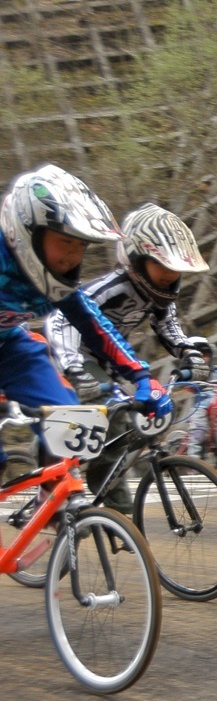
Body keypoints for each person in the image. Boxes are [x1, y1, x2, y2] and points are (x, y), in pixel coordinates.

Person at [0, 164, 173, 486]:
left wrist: (141, 376)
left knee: (70, 426)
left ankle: (57, 520)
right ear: (26, 231)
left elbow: (94, 325)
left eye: (81, 245)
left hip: (10, 346)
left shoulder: (54, 278)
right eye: (66, 241)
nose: (73, 256)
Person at [44, 203, 210, 510]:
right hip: (75, 357)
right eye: (162, 265)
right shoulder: (113, 288)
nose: (171, 275)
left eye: (176, 268)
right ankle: (115, 505)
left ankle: (87, 457)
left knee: (153, 412)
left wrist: (189, 353)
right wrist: (74, 367)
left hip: (112, 364)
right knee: (116, 418)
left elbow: (168, 327)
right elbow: (60, 319)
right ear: (137, 258)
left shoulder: (160, 295)